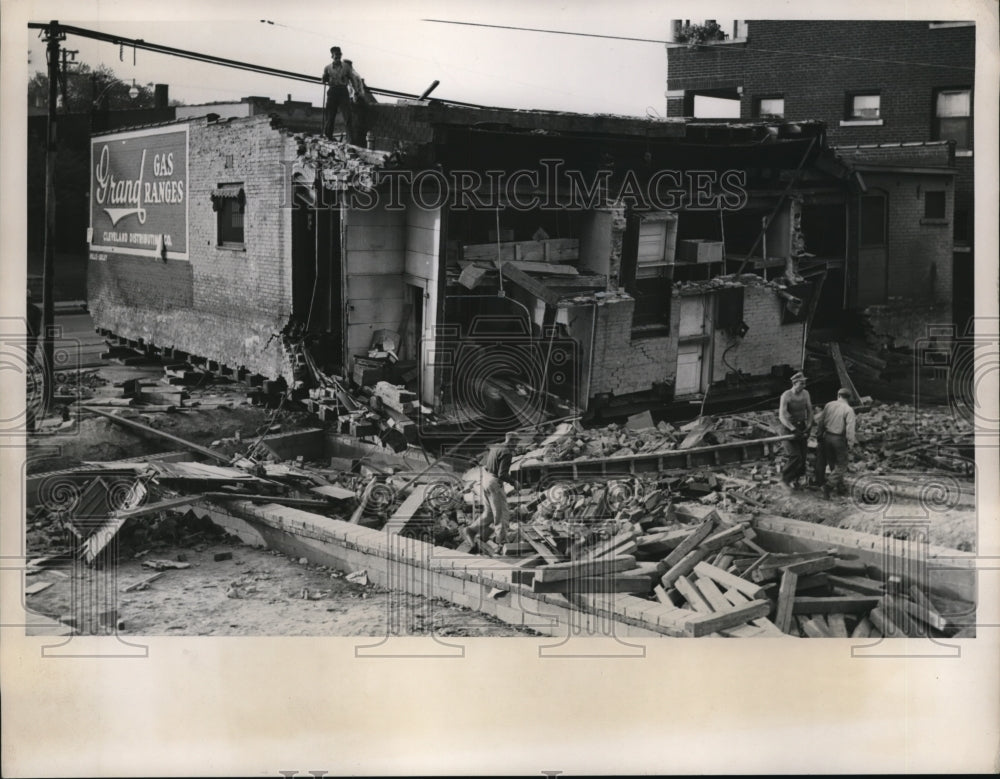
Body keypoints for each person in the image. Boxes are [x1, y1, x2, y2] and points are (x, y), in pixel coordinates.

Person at [464, 432, 518, 549]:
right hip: (494, 483)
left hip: (486, 479)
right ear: (512, 441)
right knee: (502, 513)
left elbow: (488, 466)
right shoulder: (507, 453)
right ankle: (501, 543)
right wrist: (514, 482)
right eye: (516, 442)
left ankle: (472, 529)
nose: (516, 445)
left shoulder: (496, 447)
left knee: (489, 513)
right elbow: (502, 474)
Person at [815, 388, 857, 499]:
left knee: (833, 463)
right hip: (838, 439)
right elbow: (850, 429)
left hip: (827, 437)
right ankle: (828, 487)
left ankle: (840, 487)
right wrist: (850, 443)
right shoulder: (848, 410)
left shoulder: (829, 405)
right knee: (842, 465)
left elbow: (821, 421)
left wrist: (819, 435)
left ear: (838, 395)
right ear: (849, 398)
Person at [778, 371, 813, 490]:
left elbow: (810, 411)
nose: (804, 386)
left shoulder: (806, 394)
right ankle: (785, 479)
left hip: (801, 425)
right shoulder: (786, 395)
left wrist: (808, 425)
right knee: (795, 455)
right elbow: (781, 416)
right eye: (801, 383)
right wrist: (793, 429)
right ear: (794, 383)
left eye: (804, 383)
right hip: (788, 427)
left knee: (802, 457)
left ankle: (797, 479)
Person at [321, 46, 364, 140]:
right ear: (332, 56)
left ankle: (350, 139)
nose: (338, 57)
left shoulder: (346, 67)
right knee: (330, 115)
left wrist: (356, 91)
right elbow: (323, 81)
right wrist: (324, 78)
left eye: (339, 55)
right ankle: (328, 136)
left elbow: (353, 79)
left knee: (347, 115)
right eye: (336, 55)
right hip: (332, 91)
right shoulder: (327, 68)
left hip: (343, 91)